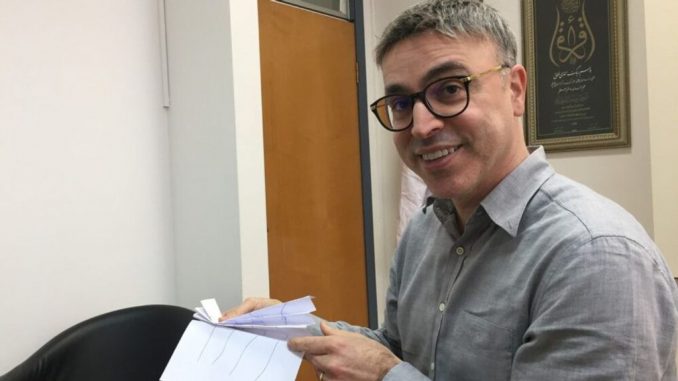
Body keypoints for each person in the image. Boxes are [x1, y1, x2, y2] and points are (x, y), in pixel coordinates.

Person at [223, 0, 678, 379]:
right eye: (402, 103)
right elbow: (398, 349)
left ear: (515, 90)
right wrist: (293, 328)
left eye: (449, 89)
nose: (421, 126)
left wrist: (386, 375)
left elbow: (391, 366)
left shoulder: (595, 256)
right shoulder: (427, 228)